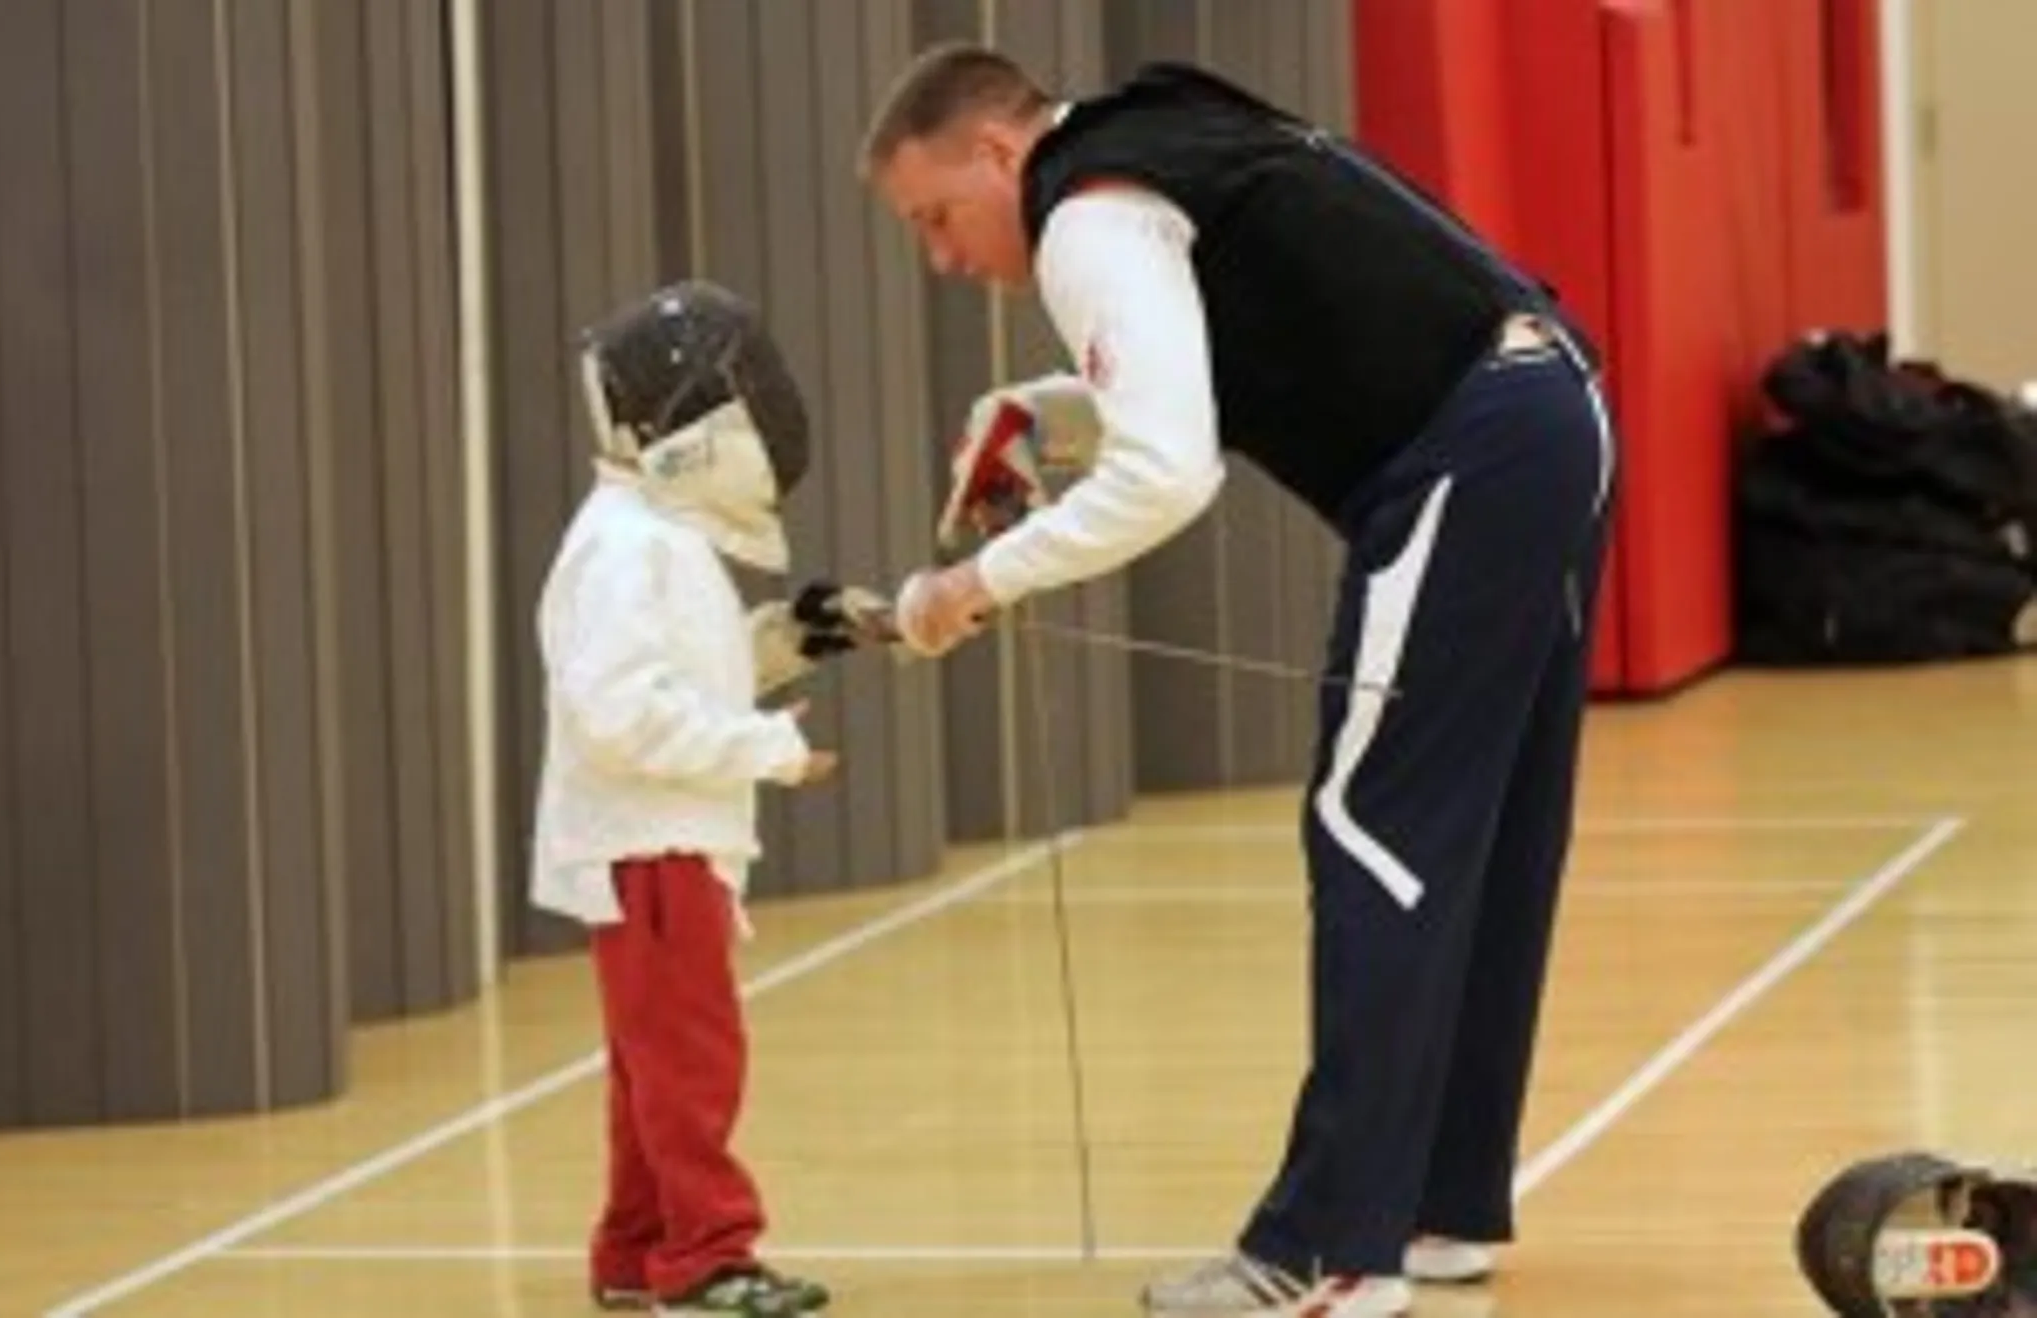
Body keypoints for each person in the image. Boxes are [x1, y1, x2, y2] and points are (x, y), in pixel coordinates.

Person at [860, 44, 1618, 1318]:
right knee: (1473, 837)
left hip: (1469, 454)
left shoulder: (1085, 217)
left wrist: (974, 583)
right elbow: (1210, 362)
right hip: (1550, 408)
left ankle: (1327, 1249)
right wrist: (1044, 411)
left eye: (936, 217)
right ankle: (1432, 1203)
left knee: (1370, 828)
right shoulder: (1151, 136)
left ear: (999, 152)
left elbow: (1164, 472)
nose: (941, 257)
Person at [532, 279, 884, 1317]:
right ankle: (707, 1256)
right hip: (648, 842)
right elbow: (619, 713)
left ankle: (636, 1249)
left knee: (654, 1063)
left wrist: (801, 634)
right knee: (689, 1059)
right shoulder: (624, 545)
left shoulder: (654, 531)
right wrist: (767, 749)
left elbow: (680, 673)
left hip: (663, 838)